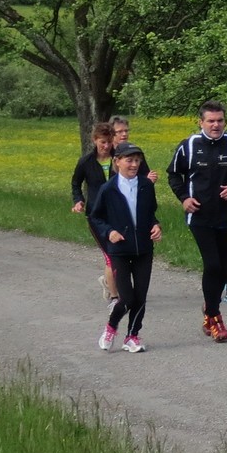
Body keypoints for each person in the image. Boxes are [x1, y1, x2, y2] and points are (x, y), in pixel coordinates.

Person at [167, 102, 227, 341]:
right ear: (201, 122)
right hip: (199, 216)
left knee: (225, 267)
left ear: (225, 121)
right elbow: (173, 174)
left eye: (220, 121)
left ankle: (209, 309)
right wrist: (184, 198)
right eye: (211, 121)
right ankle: (215, 319)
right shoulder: (189, 145)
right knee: (213, 265)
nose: (216, 125)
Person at [89, 144, 162, 352]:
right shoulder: (108, 189)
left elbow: (150, 213)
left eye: (137, 160)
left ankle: (132, 336)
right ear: (117, 161)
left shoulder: (146, 185)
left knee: (140, 296)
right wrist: (109, 231)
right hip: (119, 250)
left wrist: (156, 226)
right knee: (127, 298)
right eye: (129, 160)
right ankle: (111, 327)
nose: (134, 165)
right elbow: (96, 217)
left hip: (143, 249)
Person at [72, 122, 118, 300]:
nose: (106, 146)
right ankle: (114, 297)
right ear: (95, 140)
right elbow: (76, 183)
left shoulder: (119, 159)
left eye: (109, 142)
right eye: (102, 142)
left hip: (117, 213)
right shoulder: (86, 162)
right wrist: (78, 201)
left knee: (120, 253)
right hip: (95, 215)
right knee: (110, 255)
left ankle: (108, 282)